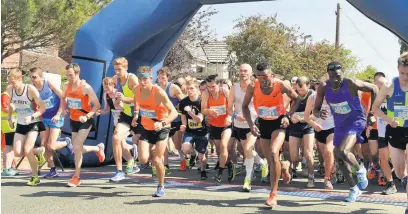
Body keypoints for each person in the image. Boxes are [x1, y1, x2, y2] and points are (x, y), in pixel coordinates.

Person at [313, 61, 376, 202]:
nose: (337, 79)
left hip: (356, 120)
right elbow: (315, 109)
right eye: (333, 77)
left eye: (339, 76)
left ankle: (360, 170)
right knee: (340, 159)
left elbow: (373, 88)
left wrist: (372, 113)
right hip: (340, 124)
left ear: (342, 74)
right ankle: (354, 188)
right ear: (328, 75)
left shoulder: (350, 83)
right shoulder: (323, 87)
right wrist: (319, 113)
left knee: (343, 151)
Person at [242, 62, 300, 207]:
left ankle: (273, 194)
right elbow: (244, 106)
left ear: (272, 75)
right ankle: (285, 166)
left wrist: (288, 115)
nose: (262, 79)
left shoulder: (280, 85)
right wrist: (251, 124)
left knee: (274, 152)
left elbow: (297, 98)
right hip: (263, 122)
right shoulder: (252, 86)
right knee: (269, 158)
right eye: (259, 76)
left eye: (265, 76)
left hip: (279, 122)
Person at [132, 66, 178, 197]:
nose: (142, 82)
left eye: (145, 79)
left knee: (157, 160)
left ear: (151, 79)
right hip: (146, 128)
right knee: (142, 159)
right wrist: (136, 114)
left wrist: (162, 123)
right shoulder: (136, 89)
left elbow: (174, 113)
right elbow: (136, 101)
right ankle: (147, 152)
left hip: (161, 127)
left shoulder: (158, 92)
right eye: (140, 79)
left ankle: (161, 186)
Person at [60, 63, 105, 187]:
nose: (69, 78)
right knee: (76, 148)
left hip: (85, 120)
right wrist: (63, 110)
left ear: (77, 74)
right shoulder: (66, 85)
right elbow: (63, 98)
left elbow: (97, 105)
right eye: (67, 75)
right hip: (73, 119)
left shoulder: (86, 87)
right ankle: (97, 148)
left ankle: (76, 176)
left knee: (77, 145)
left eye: (70, 75)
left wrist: (87, 116)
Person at [373, 52, 408, 204]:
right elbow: (375, 109)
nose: (405, 77)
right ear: (397, 69)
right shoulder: (389, 86)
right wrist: (389, 119)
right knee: (400, 173)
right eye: (402, 73)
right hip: (395, 130)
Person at [227, 64, 268, 191]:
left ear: (251, 73)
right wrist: (235, 116)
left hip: (254, 122)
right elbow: (228, 108)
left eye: (245, 71)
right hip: (239, 123)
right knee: (246, 150)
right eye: (241, 70)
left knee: (248, 148)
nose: (243, 72)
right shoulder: (234, 88)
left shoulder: (256, 86)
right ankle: (262, 163)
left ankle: (248, 179)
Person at [29, 67, 73, 178]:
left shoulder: (48, 84)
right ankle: (53, 169)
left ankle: (66, 142)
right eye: (30, 77)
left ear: (41, 77)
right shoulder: (32, 88)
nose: (32, 79)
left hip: (55, 117)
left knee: (51, 146)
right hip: (44, 117)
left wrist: (59, 113)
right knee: (44, 145)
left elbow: (63, 97)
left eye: (34, 77)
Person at [6, 68, 46, 186]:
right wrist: (9, 119)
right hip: (21, 123)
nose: (11, 85)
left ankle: (35, 177)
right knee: (18, 152)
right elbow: (11, 106)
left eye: (13, 82)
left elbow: (43, 108)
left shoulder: (30, 90)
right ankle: (38, 151)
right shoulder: (9, 89)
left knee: (28, 150)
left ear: (20, 79)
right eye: (9, 82)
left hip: (33, 123)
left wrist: (32, 117)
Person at [97, 77, 139, 177]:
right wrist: (100, 112)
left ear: (113, 85)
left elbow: (124, 108)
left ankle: (129, 158)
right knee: (120, 144)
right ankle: (132, 158)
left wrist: (117, 103)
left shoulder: (118, 94)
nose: (106, 89)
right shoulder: (105, 95)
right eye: (105, 87)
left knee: (118, 140)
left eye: (108, 86)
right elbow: (107, 109)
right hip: (116, 122)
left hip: (124, 120)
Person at [109, 57, 140, 182]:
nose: (116, 72)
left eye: (119, 69)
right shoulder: (115, 79)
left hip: (139, 114)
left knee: (146, 155)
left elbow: (140, 98)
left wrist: (124, 99)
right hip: (126, 114)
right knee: (116, 138)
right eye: (115, 69)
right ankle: (119, 171)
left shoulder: (132, 78)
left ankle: (137, 159)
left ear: (126, 68)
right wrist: (117, 100)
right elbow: (118, 102)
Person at [201, 74, 233, 184]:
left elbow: (231, 107)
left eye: (213, 87)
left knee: (224, 145)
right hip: (214, 125)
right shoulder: (206, 94)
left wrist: (229, 116)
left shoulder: (225, 92)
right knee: (220, 151)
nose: (211, 89)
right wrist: (209, 111)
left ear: (218, 85)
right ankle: (229, 165)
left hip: (226, 124)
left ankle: (219, 173)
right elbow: (203, 110)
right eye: (208, 87)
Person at [304, 79, 335, 190]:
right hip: (320, 129)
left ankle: (327, 179)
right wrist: (314, 125)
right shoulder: (312, 98)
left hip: (333, 128)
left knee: (328, 151)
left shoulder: (334, 97)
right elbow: (306, 117)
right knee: (325, 155)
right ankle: (332, 168)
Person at [370, 72, 397, 195]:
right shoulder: (375, 98)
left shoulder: (394, 95)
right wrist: (371, 120)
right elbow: (372, 113)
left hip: (398, 132)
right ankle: (390, 183)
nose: (382, 87)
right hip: (382, 133)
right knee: (383, 159)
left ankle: (404, 180)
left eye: (384, 84)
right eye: (379, 85)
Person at [288, 76, 316, 188]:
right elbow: (290, 110)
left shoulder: (313, 95)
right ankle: (291, 173)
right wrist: (290, 117)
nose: (300, 92)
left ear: (308, 86)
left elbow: (316, 114)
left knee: (308, 153)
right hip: (295, 126)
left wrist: (304, 118)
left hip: (308, 125)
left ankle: (311, 177)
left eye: (302, 90)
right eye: (298, 90)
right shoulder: (295, 94)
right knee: (293, 156)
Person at [157, 67, 185, 171]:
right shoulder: (156, 88)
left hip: (176, 120)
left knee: (177, 145)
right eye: (159, 78)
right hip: (163, 120)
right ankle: (166, 165)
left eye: (163, 77)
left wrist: (178, 107)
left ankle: (182, 158)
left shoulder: (173, 88)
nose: (161, 80)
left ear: (168, 77)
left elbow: (184, 102)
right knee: (163, 143)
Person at [179, 80, 208, 180]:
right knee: (185, 149)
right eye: (187, 88)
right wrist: (183, 125)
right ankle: (193, 154)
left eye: (192, 88)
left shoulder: (201, 101)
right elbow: (183, 115)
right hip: (190, 131)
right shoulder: (183, 102)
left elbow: (199, 119)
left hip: (202, 132)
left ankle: (203, 170)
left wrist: (190, 112)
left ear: (197, 90)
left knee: (202, 157)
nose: (189, 91)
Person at [1, 89, 18, 176]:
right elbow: (4, 108)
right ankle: (6, 168)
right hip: (8, 125)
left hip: (12, 125)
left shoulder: (12, 95)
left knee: (11, 147)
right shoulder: (5, 94)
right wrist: (18, 110)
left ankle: (10, 167)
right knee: (8, 147)